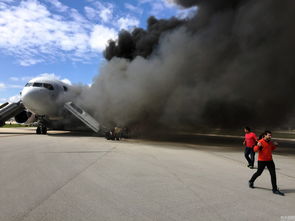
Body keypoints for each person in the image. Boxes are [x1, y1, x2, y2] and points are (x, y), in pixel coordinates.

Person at [248, 130, 284, 196]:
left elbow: (271, 149)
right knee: (259, 173)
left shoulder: (270, 142)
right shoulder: (260, 142)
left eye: (271, 135)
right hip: (262, 161)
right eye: (269, 135)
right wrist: (258, 146)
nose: (270, 136)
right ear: (265, 135)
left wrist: (275, 146)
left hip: (270, 161)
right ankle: (251, 181)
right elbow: (254, 150)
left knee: (273, 174)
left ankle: (275, 189)